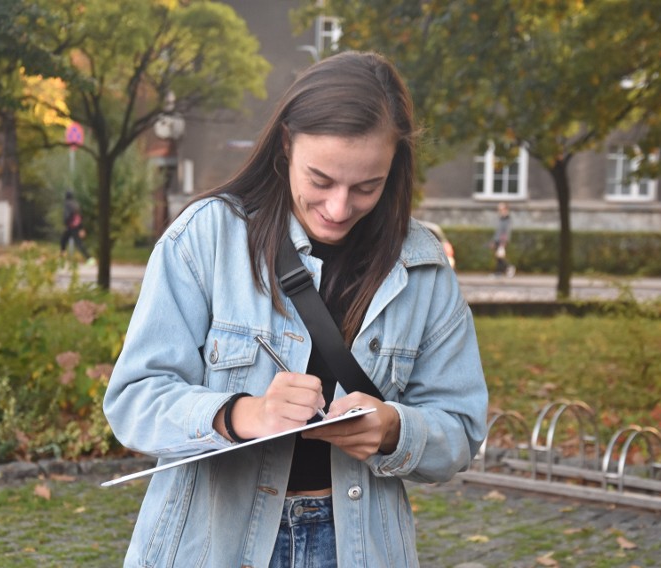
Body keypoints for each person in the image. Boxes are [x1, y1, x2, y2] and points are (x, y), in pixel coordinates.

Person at [103, 51, 488, 568]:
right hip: (212, 545)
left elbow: (461, 429)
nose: (338, 208)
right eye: (321, 180)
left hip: (357, 548)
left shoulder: (423, 268)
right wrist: (243, 413)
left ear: (395, 167)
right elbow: (133, 399)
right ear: (286, 145)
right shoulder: (207, 237)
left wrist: (394, 428)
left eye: (367, 186)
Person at [60, 190, 94, 265]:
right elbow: (79, 216)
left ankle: (62, 259)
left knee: (63, 241)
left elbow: (66, 215)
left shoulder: (67, 204)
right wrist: (81, 228)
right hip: (77, 226)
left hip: (70, 226)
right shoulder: (76, 204)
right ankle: (90, 259)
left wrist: (65, 224)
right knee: (78, 243)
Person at [490, 202, 515, 277]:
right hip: (498, 240)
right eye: (499, 209)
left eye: (501, 209)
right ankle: (500, 272)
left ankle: (508, 268)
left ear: (506, 209)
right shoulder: (501, 219)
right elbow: (498, 231)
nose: (500, 211)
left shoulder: (507, 219)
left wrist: (503, 242)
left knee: (500, 257)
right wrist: (494, 241)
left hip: (502, 241)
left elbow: (506, 232)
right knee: (499, 257)